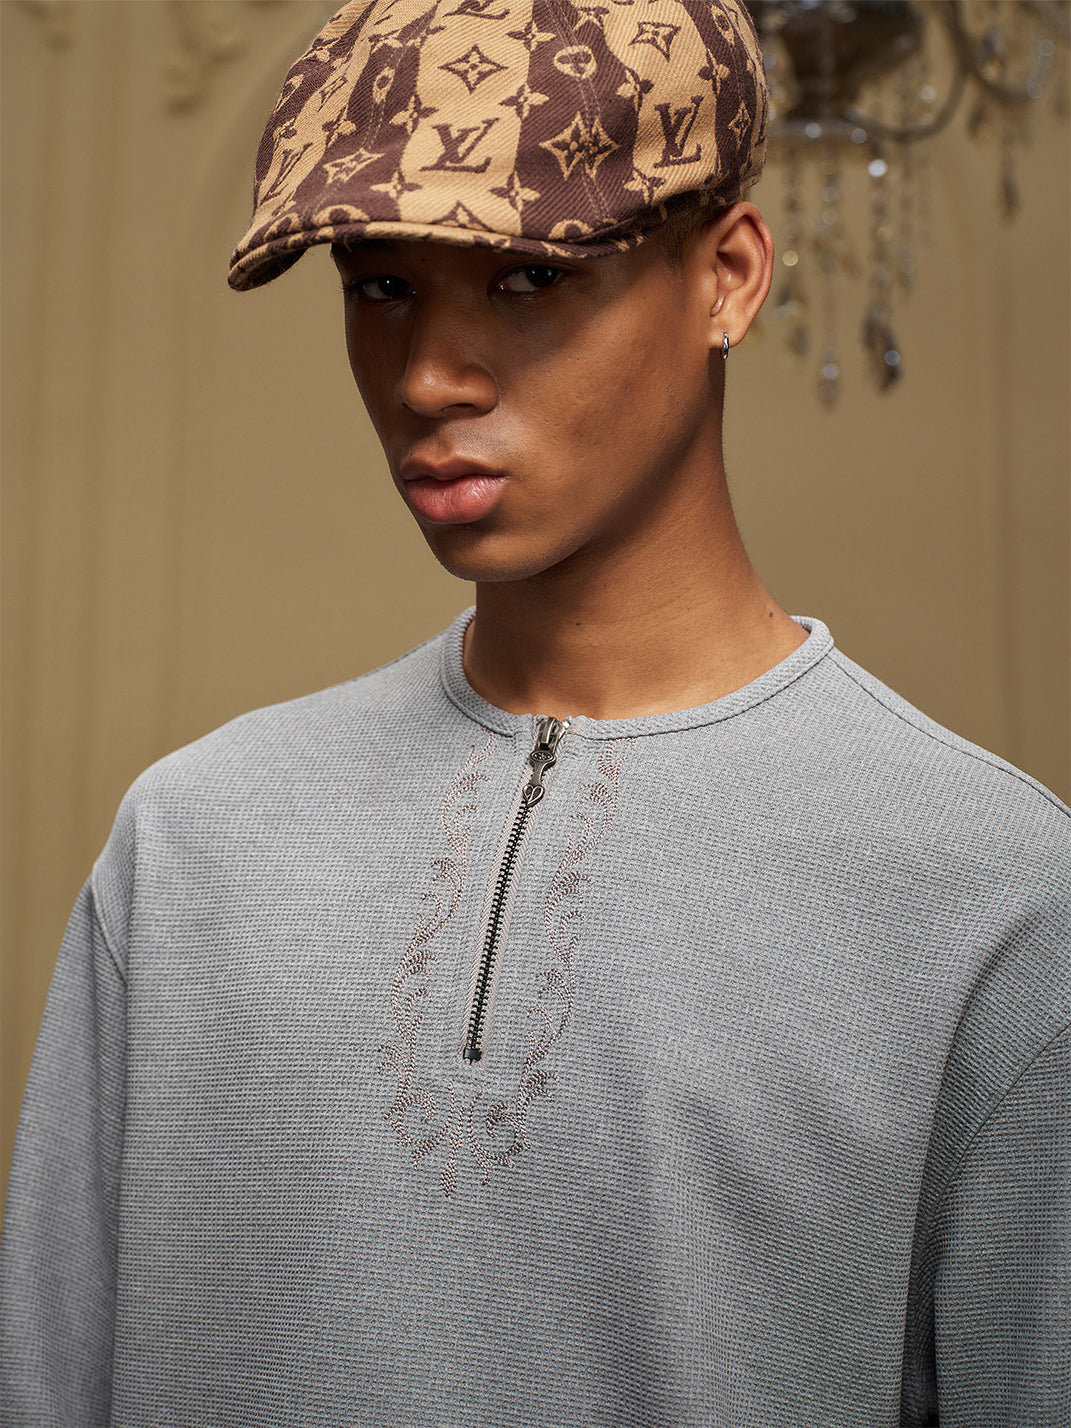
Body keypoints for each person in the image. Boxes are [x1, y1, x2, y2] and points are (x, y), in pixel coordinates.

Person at [2, 1, 1068, 1423]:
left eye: (527, 278)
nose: (427, 377)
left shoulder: (990, 890)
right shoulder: (189, 844)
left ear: (729, 278)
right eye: (381, 287)